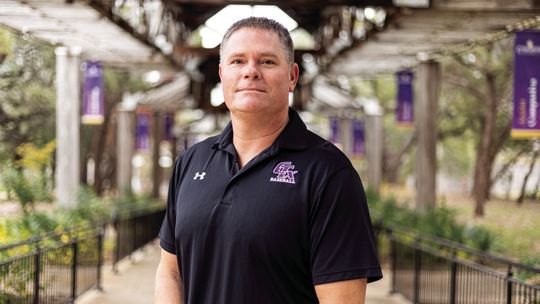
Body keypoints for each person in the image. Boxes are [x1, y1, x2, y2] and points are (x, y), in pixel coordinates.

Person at [154, 17, 382, 304]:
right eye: (238, 61)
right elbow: (170, 271)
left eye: (267, 62)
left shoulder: (329, 173)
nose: (251, 71)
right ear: (222, 74)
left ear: (292, 77)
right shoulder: (191, 162)